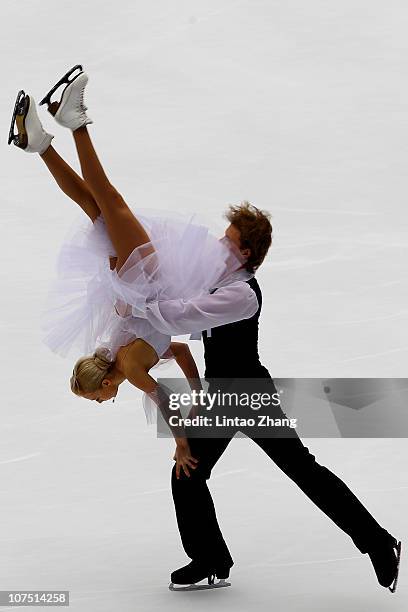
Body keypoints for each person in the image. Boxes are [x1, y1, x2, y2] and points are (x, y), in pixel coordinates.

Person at [7, 66, 260, 476]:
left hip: (143, 279)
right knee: (95, 204)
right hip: (128, 281)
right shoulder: (119, 354)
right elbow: (177, 350)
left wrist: (182, 445)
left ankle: (76, 124)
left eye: (97, 399)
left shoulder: (132, 370)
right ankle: (39, 143)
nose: (104, 403)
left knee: (111, 202)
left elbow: (164, 403)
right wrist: (197, 391)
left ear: (106, 384)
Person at [169, 205, 402, 593]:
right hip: (221, 395)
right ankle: (210, 558)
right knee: (187, 473)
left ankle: (379, 543)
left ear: (245, 253)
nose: (218, 244)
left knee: (304, 472)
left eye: (228, 240)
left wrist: (137, 309)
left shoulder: (241, 294)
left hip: (248, 395)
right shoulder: (216, 279)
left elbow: (180, 316)